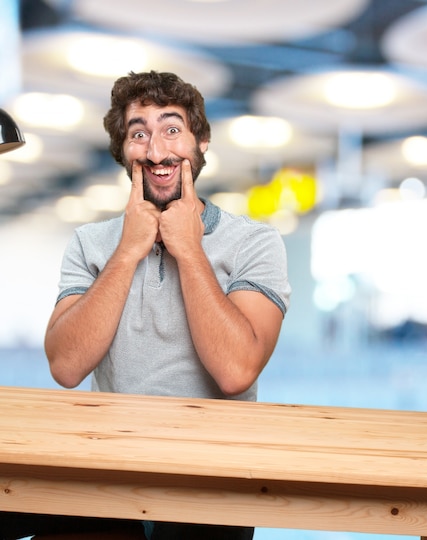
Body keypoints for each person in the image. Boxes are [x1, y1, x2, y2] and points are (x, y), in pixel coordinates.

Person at [0, 71, 290, 540]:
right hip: (107, 474)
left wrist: (189, 250)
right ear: (124, 152)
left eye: (172, 129)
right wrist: (128, 249)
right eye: (139, 134)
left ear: (202, 142)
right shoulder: (91, 243)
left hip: (213, 484)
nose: (156, 151)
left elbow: (237, 371)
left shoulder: (255, 242)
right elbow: (67, 367)